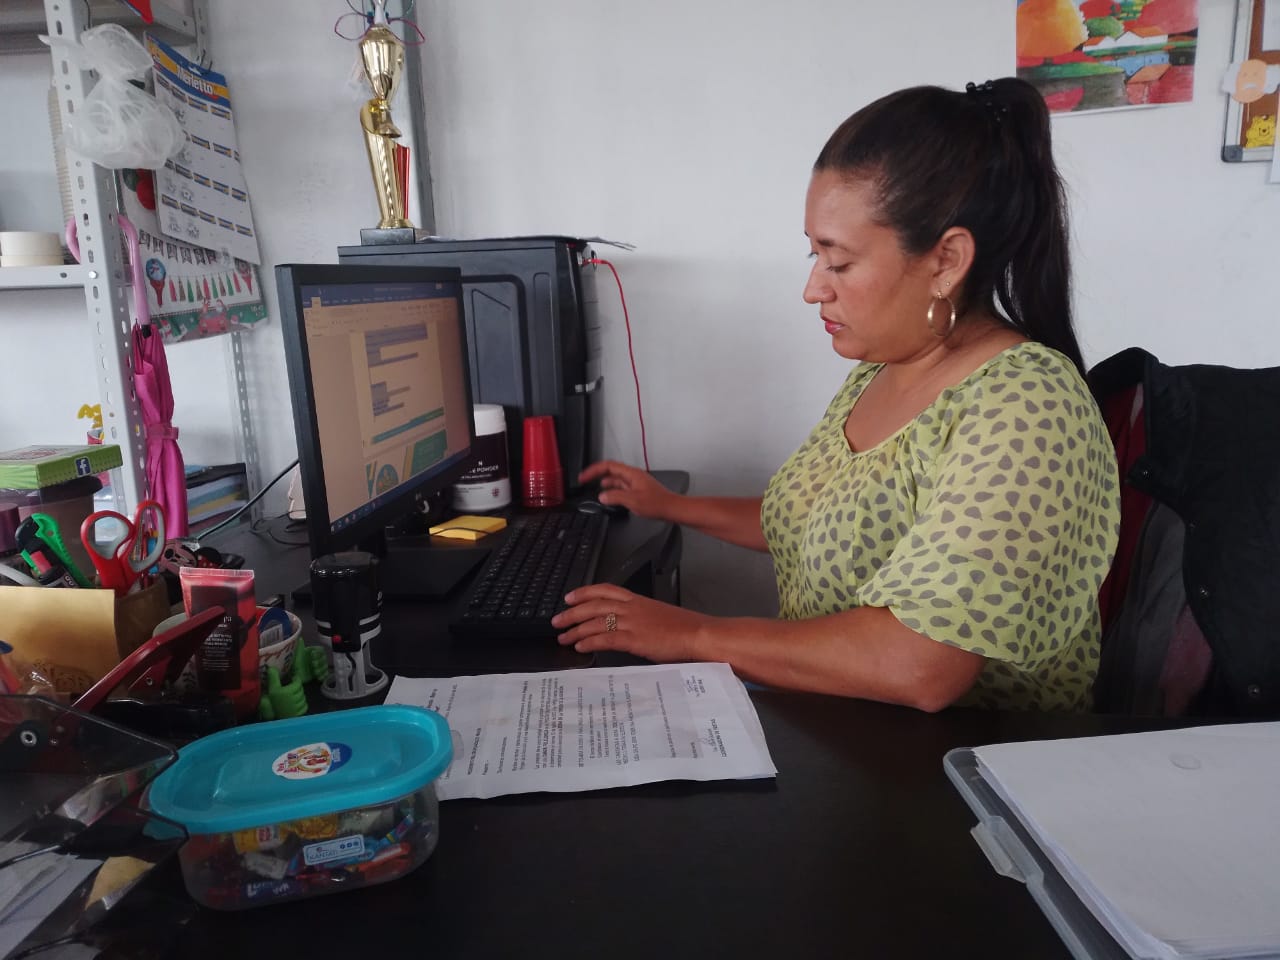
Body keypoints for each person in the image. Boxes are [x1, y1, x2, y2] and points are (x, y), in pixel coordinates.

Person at [551, 78, 1121, 712]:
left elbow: (919, 664)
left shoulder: (1025, 405)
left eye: (839, 261)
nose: (813, 289)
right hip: (842, 731)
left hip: (954, 760)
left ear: (945, 261)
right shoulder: (877, 371)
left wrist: (692, 635)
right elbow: (810, 522)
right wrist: (670, 505)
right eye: (813, 255)